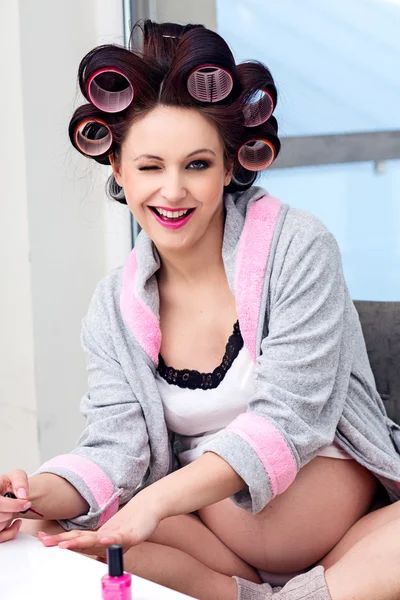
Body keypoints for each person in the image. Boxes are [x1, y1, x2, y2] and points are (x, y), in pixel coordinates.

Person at [2, 20, 400, 600]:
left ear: (229, 166)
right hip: (218, 560)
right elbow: (113, 447)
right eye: (149, 166)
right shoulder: (114, 307)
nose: (173, 191)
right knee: (40, 530)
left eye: (196, 165)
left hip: (356, 542)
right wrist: (27, 493)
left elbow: (290, 419)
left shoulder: (298, 247)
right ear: (118, 170)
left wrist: (154, 504)